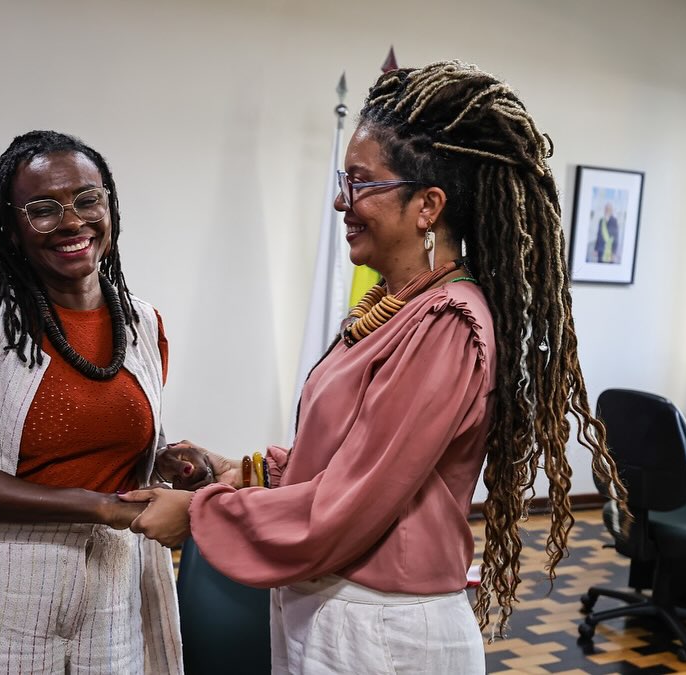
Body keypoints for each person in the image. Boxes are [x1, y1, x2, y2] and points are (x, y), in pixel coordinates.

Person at [124, 61, 630, 674]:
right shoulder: (397, 307)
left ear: (427, 205)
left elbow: (354, 500)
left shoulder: (448, 325)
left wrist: (199, 517)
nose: (342, 200)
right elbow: (347, 456)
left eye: (361, 183)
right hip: (336, 608)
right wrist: (238, 472)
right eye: (345, 180)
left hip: (382, 630)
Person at [0, 130, 198, 674]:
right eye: (43, 209)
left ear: (109, 207)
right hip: (2, 584)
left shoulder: (142, 323)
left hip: (114, 578)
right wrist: (101, 506)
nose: (72, 221)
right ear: (12, 229)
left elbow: (110, 442)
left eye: (88, 199)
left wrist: (168, 460)